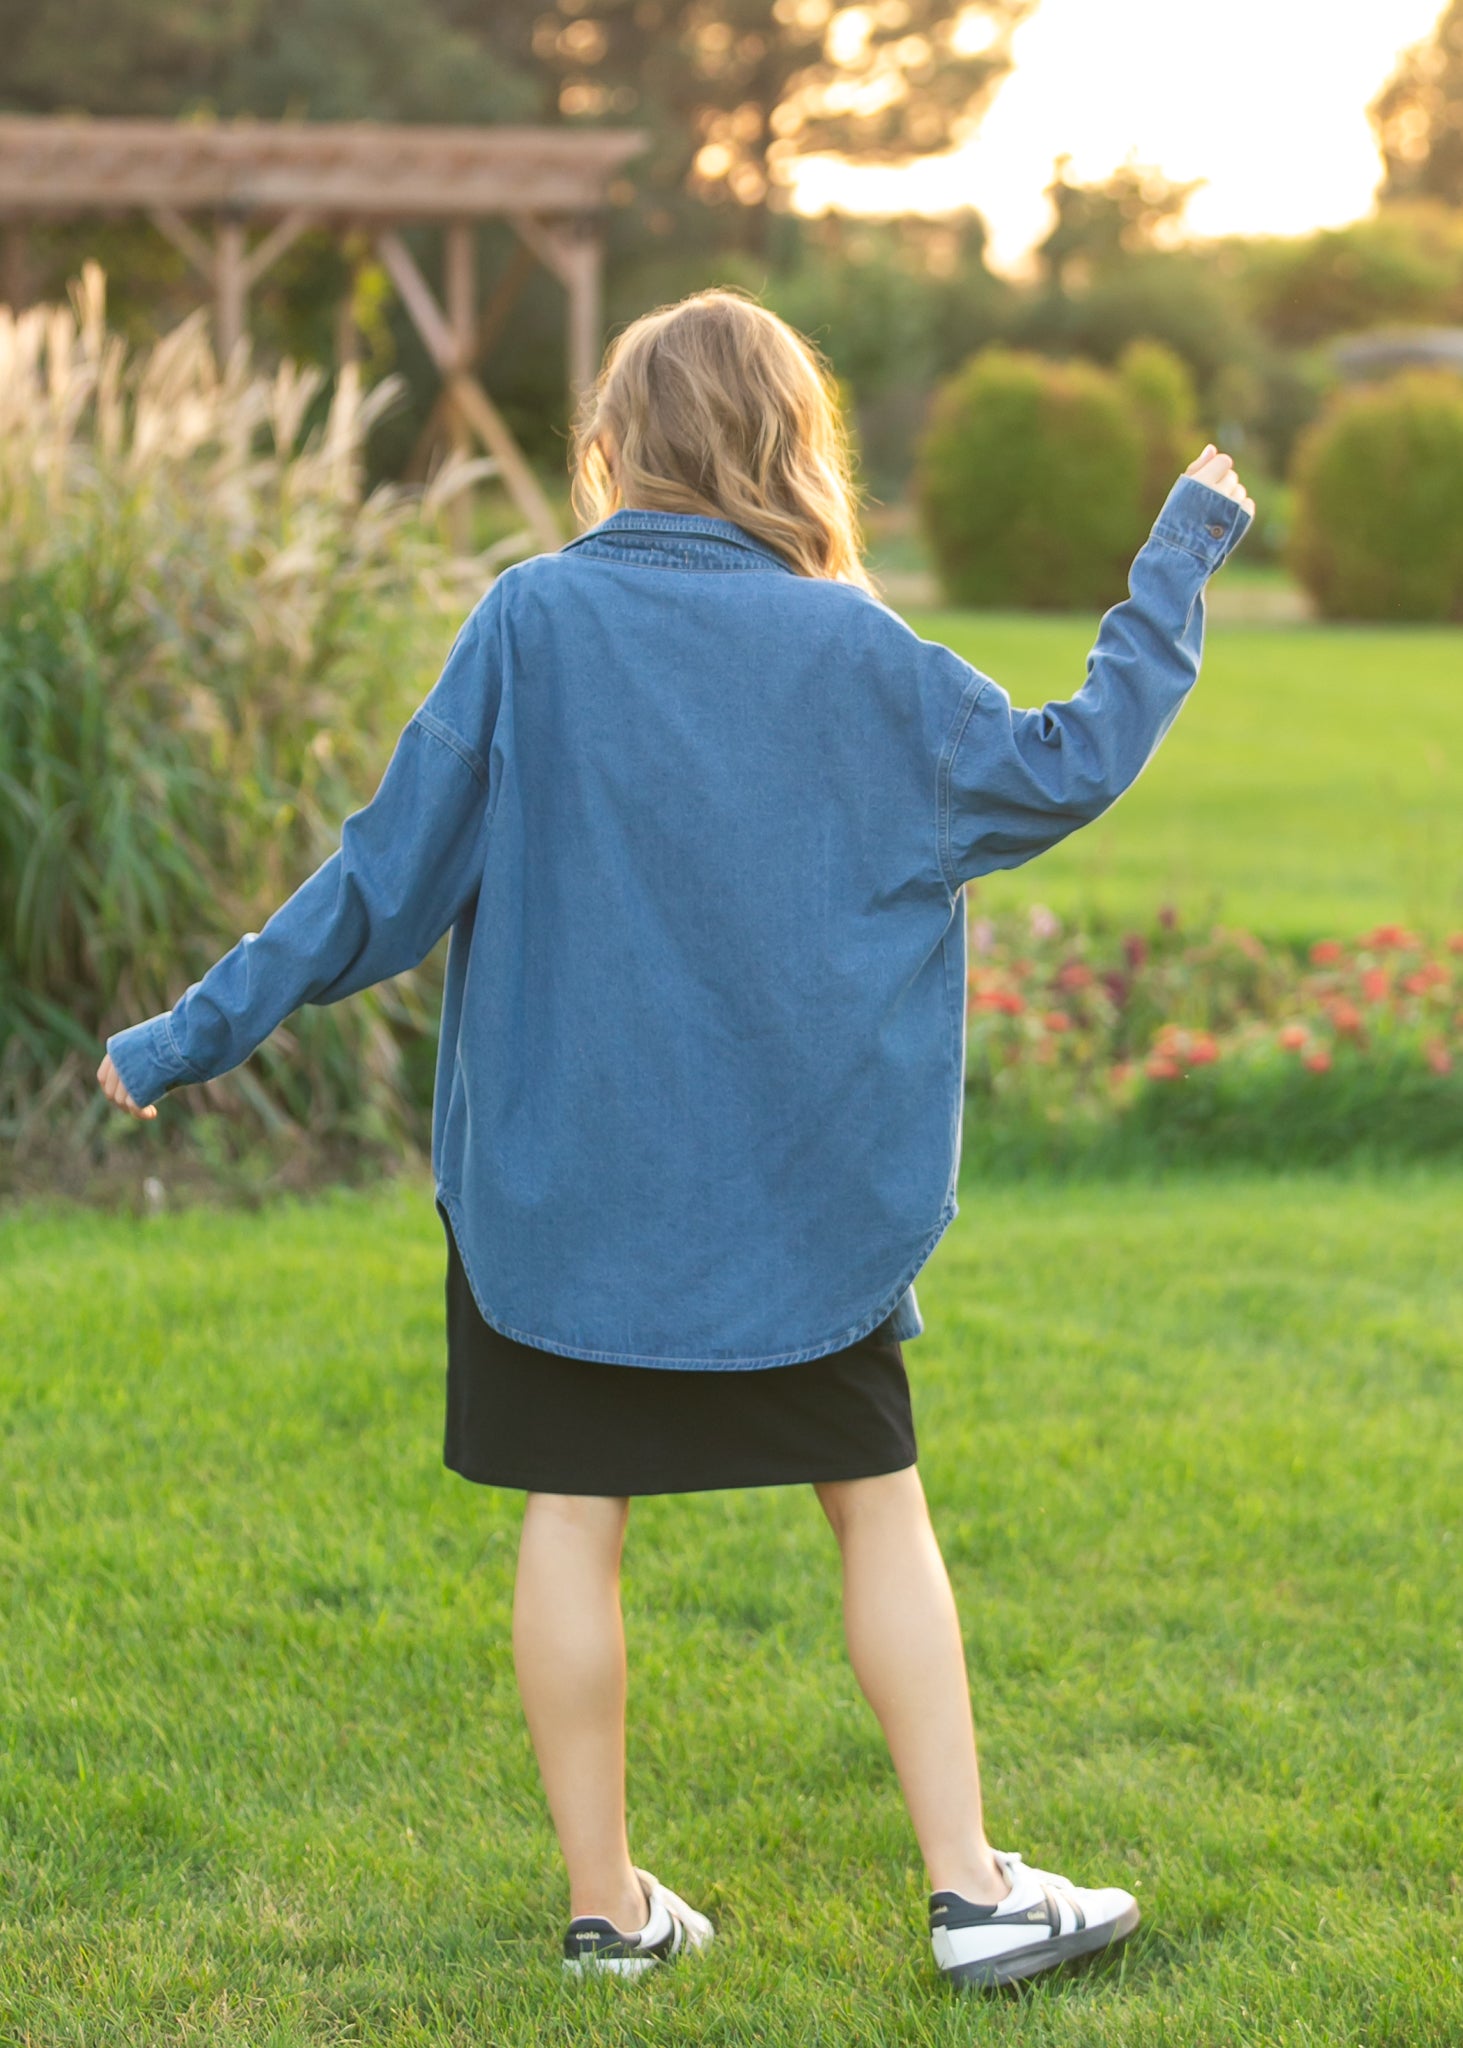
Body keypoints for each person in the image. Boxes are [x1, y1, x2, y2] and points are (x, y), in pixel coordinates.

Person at [98, 287, 1255, 1993]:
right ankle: (972, 1892)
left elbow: (377, 885)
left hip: (563, 1206)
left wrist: (183, 1035)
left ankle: (610, 1914)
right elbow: (1067, 763)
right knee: (878, 1508)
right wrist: (1180, 556)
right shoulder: (855, 649)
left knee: (574, 1514)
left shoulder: (530, 623)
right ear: (791, 441)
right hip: (801, 1217)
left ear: (618, 444)